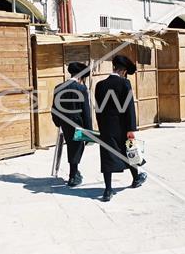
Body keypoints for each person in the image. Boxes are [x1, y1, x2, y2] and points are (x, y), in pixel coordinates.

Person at [95, 55, 147, 202]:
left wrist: (101, 126)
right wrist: (131, 129)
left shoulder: (100, 85)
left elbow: (98, 110)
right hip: (123, 126)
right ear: (124, 71)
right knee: (129, 151)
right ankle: (136, 178)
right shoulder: (125, 84)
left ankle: (108, 190)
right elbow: (129, 108)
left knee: (107, 156)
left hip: (106, 127)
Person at [51, 62, 92, 187]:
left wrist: (58, 122)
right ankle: (73, 176)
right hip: (78, 123)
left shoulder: (59, 87)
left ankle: (75, 172)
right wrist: (89, 130)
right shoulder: (81, 89)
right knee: (77, 148)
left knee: (72, 146)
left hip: (65, 124)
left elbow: (54, 108)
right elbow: (86, 111)